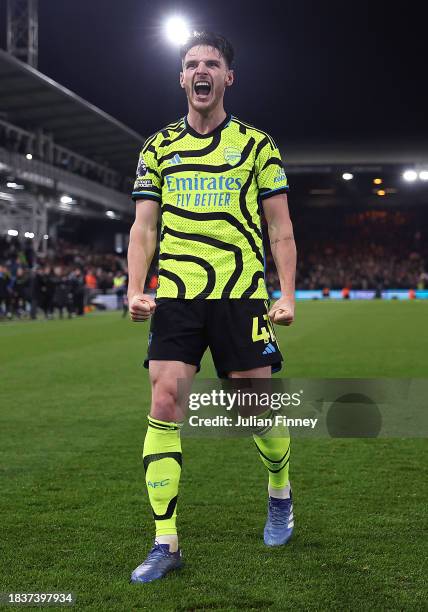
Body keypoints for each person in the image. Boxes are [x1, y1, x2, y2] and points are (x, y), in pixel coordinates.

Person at [127, 31, 297, 584]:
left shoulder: (257, 146)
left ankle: (279, 493)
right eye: (192, 64)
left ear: (228, 77)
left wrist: (287, 292)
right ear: (182, 78)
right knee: (165, 400)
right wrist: (136, 286)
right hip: (176, 296)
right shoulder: (158, 147)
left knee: (255, 412)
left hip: (241, 294)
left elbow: (280, 227)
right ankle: (166, 541)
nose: (202, 71)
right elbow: (144, 226)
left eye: (213, 64)